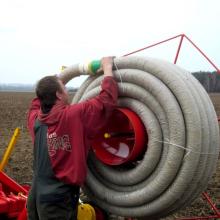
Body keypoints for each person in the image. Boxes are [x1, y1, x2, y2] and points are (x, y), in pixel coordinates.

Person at [27, 57, 118, 220]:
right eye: (64, 88)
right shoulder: (74, 115)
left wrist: (56, 80)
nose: (67, 91)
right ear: (58, 95)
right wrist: (107, 69)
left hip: (36, 197)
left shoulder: (35, 119)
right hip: (58, 200)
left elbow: (36, 103)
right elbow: (106, 101)